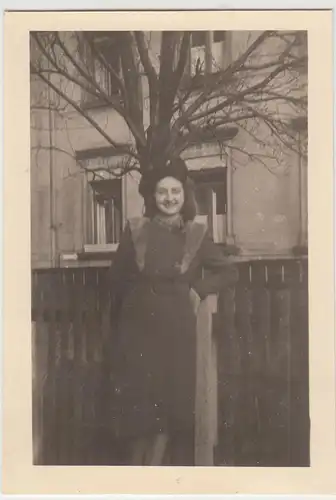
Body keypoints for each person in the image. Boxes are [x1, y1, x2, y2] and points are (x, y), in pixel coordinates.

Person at [105, 157, 238, 466]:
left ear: (184, 194)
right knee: (137, 411)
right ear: (153, 196)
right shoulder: (135, 230)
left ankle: (154, 476)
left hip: (176, 333)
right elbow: (116, 279)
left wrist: (198, 289)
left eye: (175, 191)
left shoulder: (197, 234)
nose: (169, 198)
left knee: (167, 408)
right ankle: (135, 477)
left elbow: (228, 272)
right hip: (136, 332)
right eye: (163, 192)